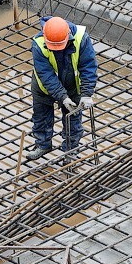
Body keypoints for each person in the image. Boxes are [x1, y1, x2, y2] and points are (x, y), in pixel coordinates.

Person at [27, 16, 98, 161]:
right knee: (41, 118)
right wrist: (62, 97)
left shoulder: (81, 38)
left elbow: (88, 67)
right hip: (44, 87)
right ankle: (43, 144)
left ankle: (70, 151)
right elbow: (46, 76)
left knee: (73, 120)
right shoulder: (38, 44)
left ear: (68, 36)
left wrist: (86, 94)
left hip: (73, 86)